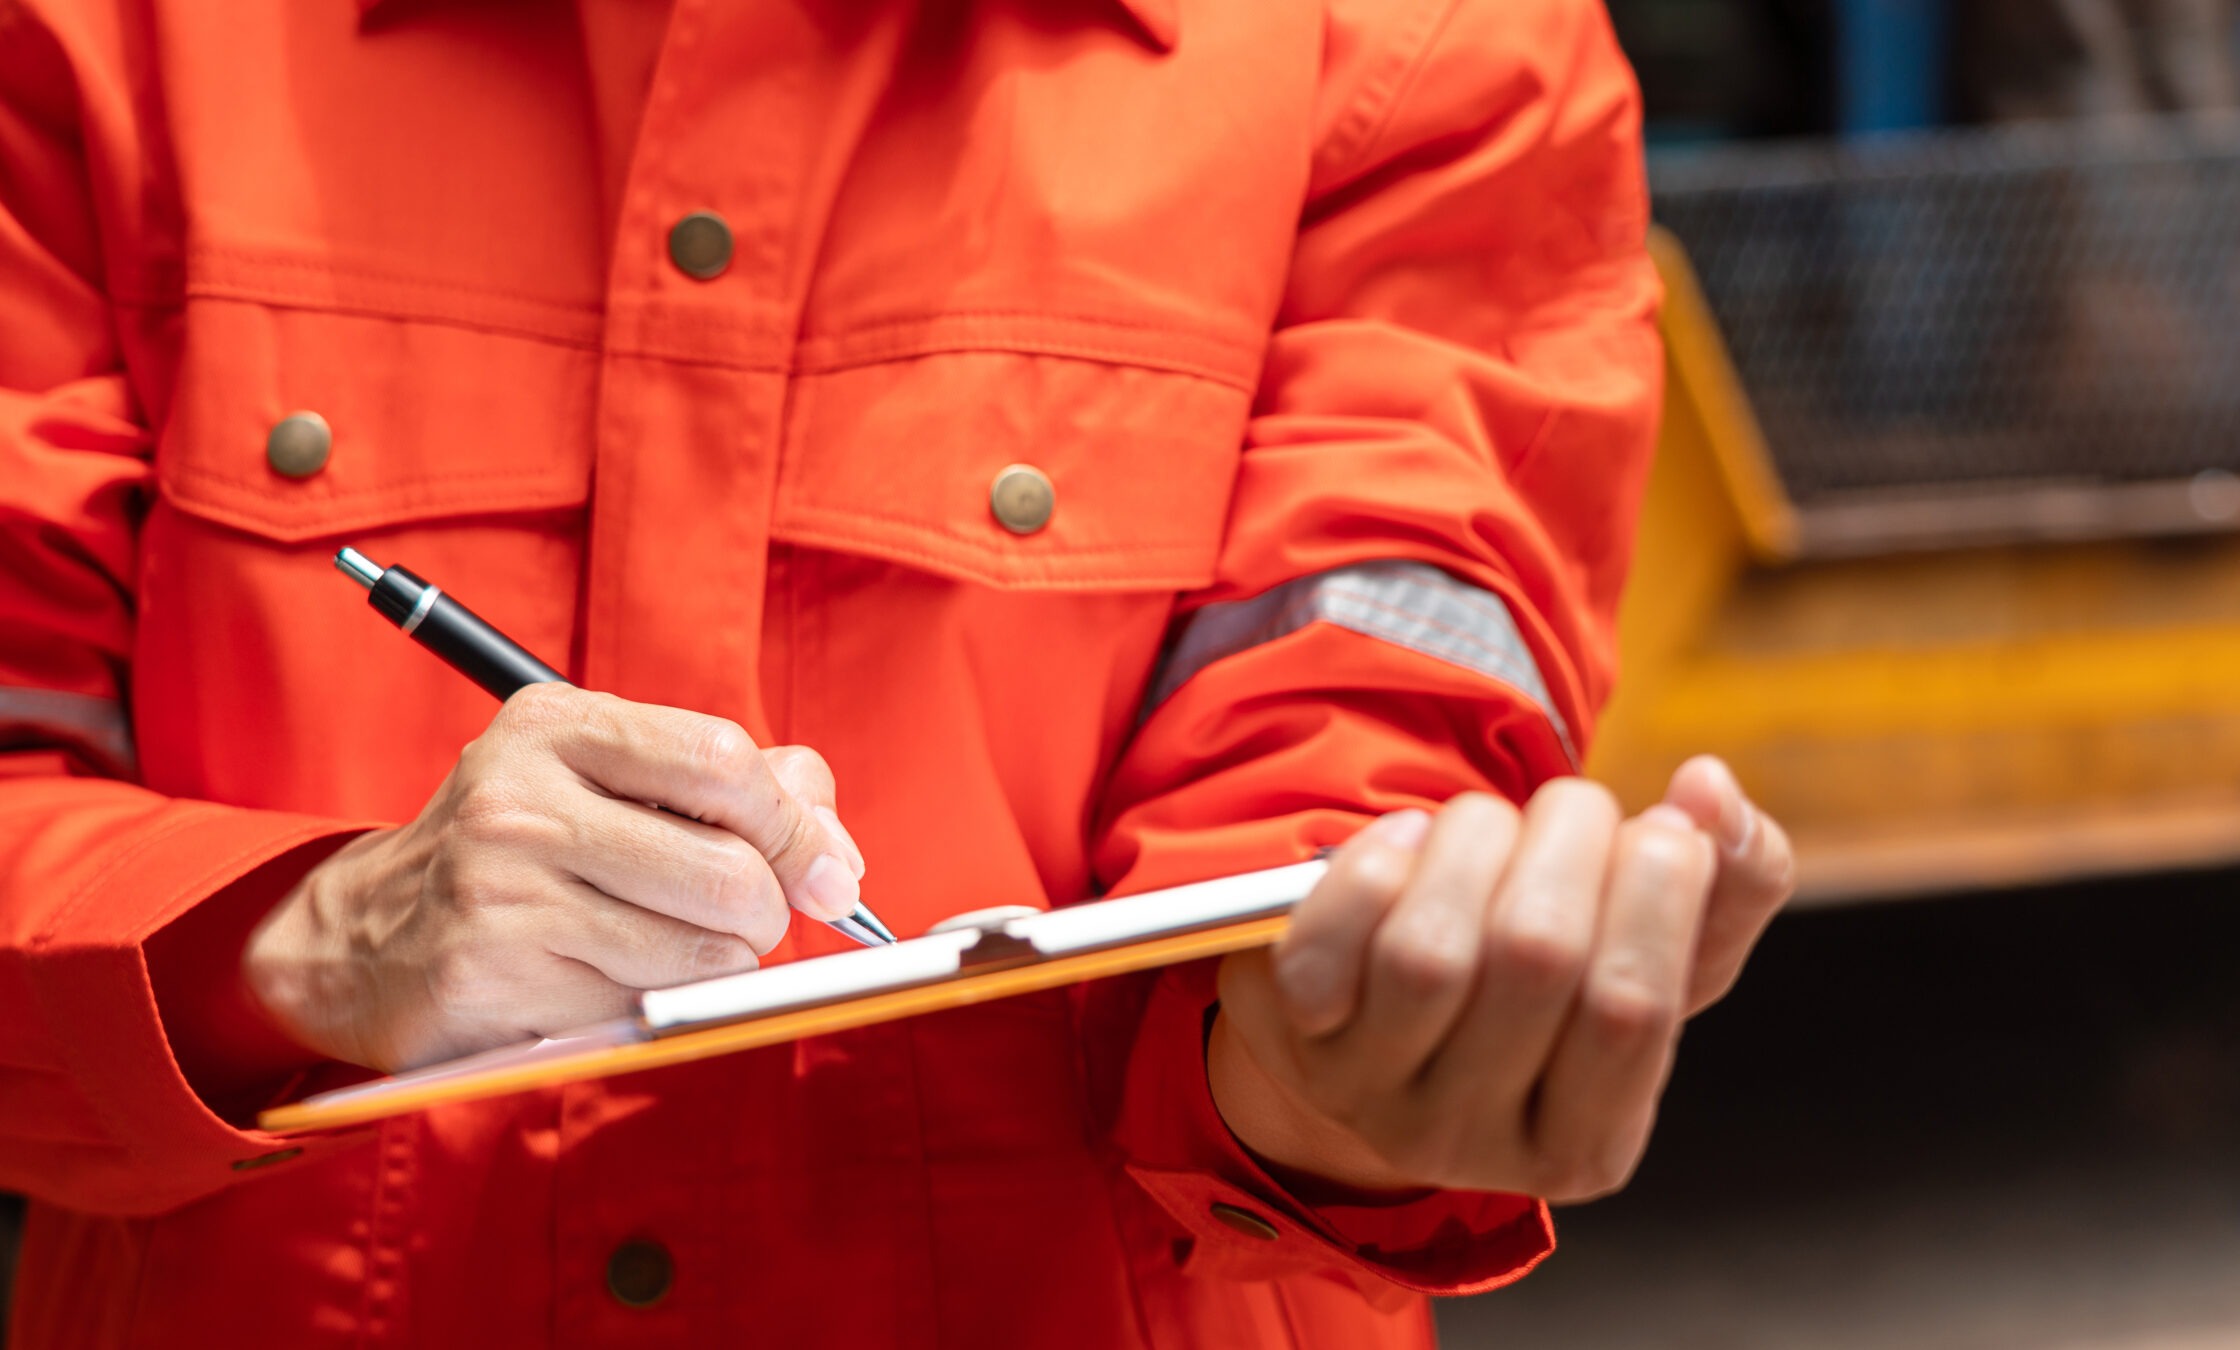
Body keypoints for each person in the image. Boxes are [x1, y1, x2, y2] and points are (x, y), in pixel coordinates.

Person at [0, 0, 1796, 1345]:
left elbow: (1355, 762)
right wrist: (312, 949)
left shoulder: (1418, 43)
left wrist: (1346, 1067)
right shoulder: (113, 35)